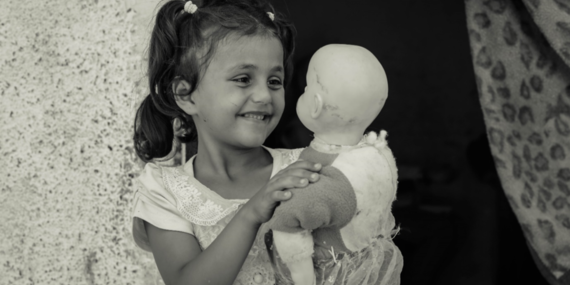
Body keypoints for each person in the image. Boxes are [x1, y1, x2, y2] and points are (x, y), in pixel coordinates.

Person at [130, 1, 322, 284]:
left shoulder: (304, 168)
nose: (264, 96)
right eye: (244, 79)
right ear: (186, 95)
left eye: (274, 81)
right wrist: (251, 213)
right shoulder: (164, 192)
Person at [266, 44, 403, 285]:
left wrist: (302, 278)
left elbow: (288, 220)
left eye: (306, 88)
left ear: (316, 105)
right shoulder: (379, 155)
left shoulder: (330, 181)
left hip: (328, 275)